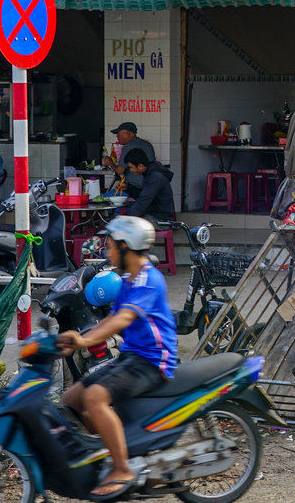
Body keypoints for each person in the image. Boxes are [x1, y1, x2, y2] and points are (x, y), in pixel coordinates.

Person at [59, 216, 177, 498]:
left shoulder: (148, 280)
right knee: (70, 398)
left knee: (94, 397)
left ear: (126, 247)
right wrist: (75, 342)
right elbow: (111, 317)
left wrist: (84, 340)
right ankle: (109, 449)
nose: (107, 252)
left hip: (152, 360)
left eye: (111, 247)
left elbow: (123, 318)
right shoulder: (129, 280)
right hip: (131, 356)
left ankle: (123, 468)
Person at [122, 149, 175, 225]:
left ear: (140, 166)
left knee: (129, 225)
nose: (131, 170)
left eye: (131, 167)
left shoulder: (155, 177)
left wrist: (124, 218)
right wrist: (128, 188)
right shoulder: (150, 173)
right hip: (153, 213)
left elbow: (143, 201)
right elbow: (143, 195)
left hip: (160, 219)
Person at [109, 122, 156, 195]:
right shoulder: (148, 144)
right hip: (148, 186)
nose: (117, 136)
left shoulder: (128, 146)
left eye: (119, 133)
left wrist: (110, 163)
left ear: (128, 133)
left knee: (106, 199)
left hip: (133, 187)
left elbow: (120, 171)